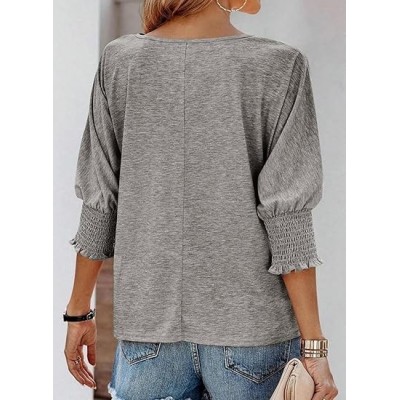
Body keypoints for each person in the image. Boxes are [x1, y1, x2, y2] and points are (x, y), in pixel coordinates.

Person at [63, 0, 339, 399]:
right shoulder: (279, 65)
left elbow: (99, 202)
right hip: (251, 331)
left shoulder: (121, 61)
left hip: (148, 333)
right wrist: (315, 348)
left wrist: (77, 313)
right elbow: (288, 219)